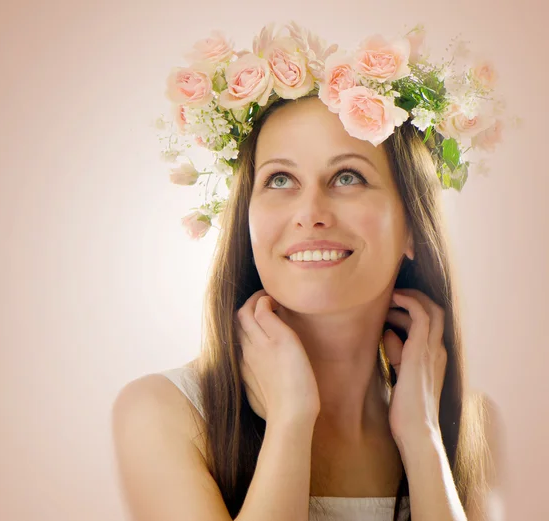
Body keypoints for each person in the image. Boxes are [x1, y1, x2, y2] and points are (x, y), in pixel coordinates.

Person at [112, 23, 506, 521]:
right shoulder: (164, 413)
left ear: (411, 225)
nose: (309, 212)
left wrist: (424, 438)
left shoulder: (472, 426)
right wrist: (291, 422)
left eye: (347, 177)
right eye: (280, 179)